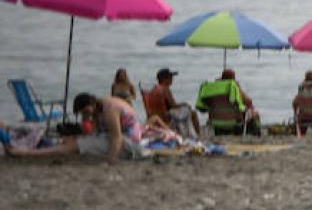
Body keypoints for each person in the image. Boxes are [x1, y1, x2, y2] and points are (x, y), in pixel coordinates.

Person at [5, 93, 144, 161]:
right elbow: (92, 131)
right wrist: (82, 126)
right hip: (116, 137)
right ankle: (33, 150)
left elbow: (117, 138)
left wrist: (110, 160)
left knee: (74, 146)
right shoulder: (97, 107)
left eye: (85, 112)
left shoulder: (109, 109)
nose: (85, 115)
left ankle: (27, 153)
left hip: (128, 142)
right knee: (73, 141)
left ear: (91, 104)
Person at [143, 68, 201, 139]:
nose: (172, 79)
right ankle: (196, 135)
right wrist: (185, 104)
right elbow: (174, 106)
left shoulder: (153, 90)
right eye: (170, 77)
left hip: (157, 117)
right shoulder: (165, 89)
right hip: (167, 118)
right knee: (193, 113)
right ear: (164, 79)